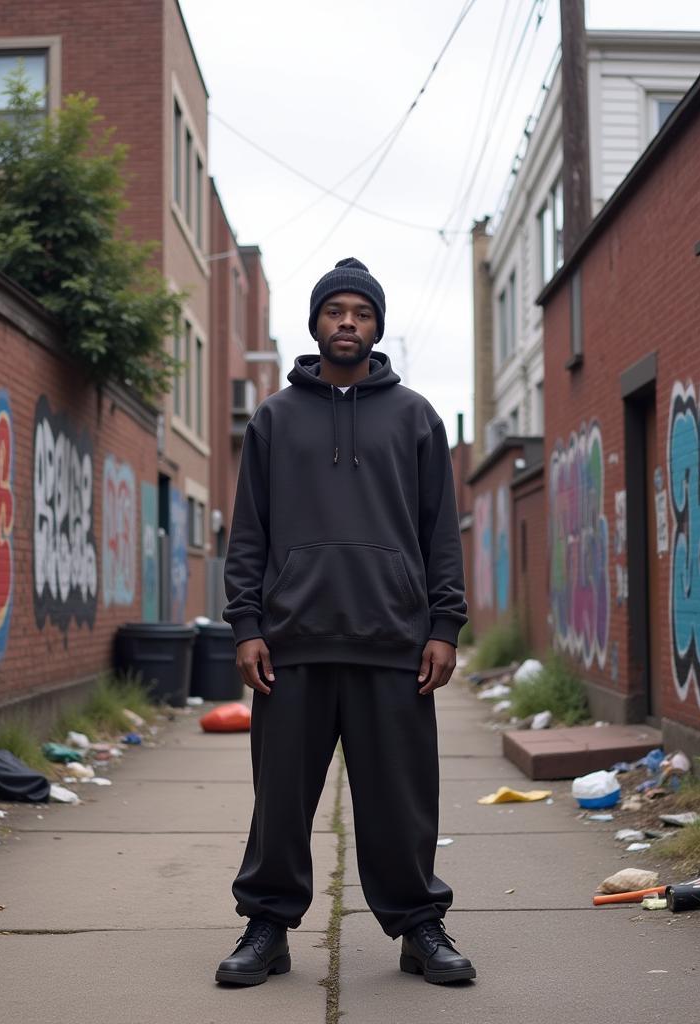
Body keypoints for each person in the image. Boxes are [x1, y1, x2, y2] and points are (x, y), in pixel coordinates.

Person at [215, 257, 475, 987]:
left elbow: (439, 535)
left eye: (361, 313)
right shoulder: (274, 418)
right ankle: (267, 926)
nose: (348, 323)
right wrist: (245, 626)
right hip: (291, 645)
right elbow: (250, 536)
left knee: (401, 802)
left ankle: (420, 926)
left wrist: (444, 627)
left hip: (393, 643)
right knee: (281, 803)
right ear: (317, 323)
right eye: (336, 312)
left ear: (376, 327)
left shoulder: (416, 416)